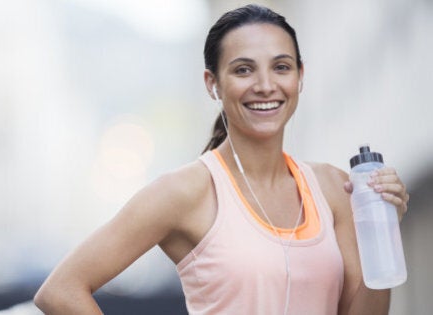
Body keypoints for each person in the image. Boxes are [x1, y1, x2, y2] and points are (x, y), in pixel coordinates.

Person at [34, 4, 409, 314]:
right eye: (243, 69)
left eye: (281, 67)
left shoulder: (332, 187)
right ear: (212, 83)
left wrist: (381, 229)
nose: (265, 85)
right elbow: (61, 290)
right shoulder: (186, 191)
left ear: (300, 76)